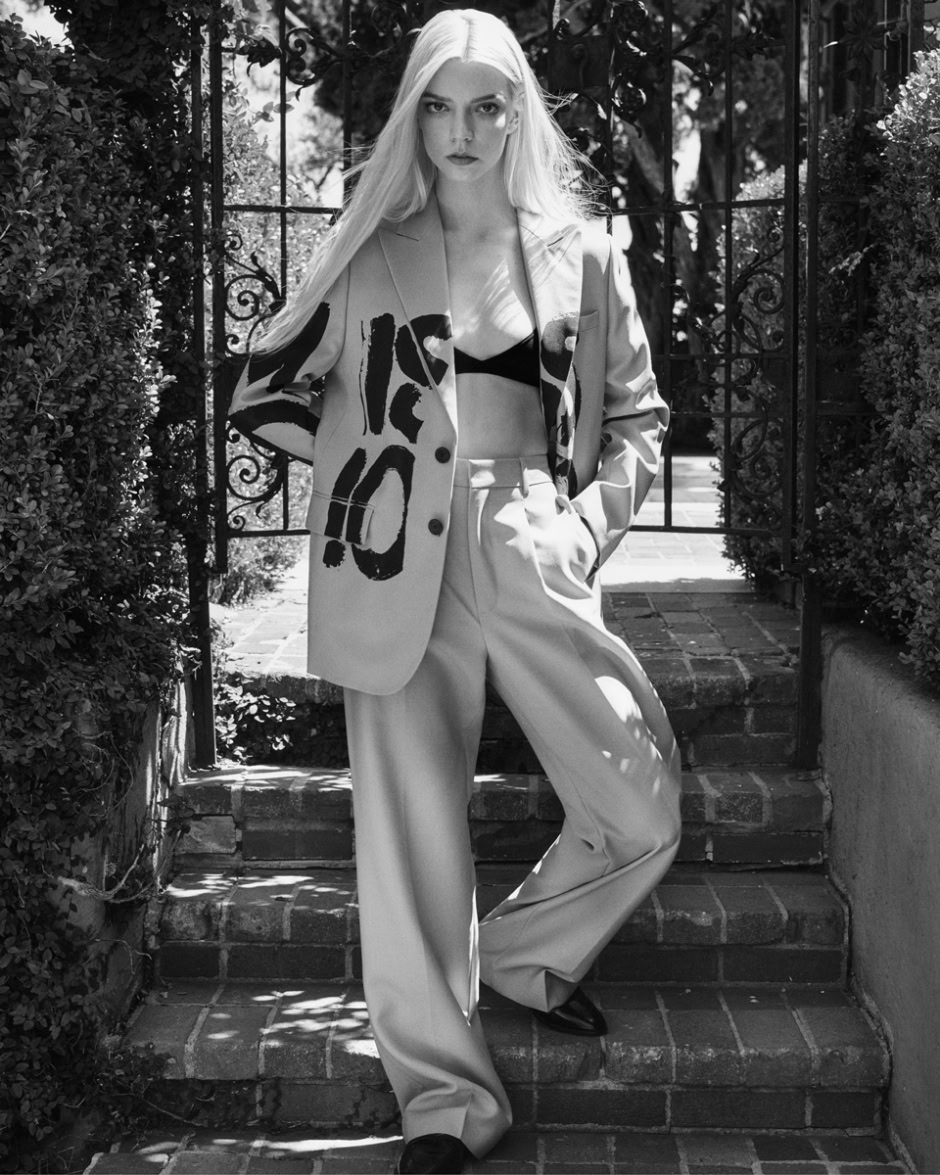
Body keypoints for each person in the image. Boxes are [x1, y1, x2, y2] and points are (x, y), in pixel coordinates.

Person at [229, 9, 682, 1172]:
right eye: (440, 104)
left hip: (531, 540)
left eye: (489, 104)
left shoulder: (581, 251)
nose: (462, 129)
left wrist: (584, 526)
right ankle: (444, 1105)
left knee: (639, 800)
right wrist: (358, 474)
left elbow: (636, 419)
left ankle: (527, 957)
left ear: (518, 112)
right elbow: (267, 384)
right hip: (393, 558)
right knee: (410, 834)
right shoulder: (371, 246)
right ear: (413, 116)